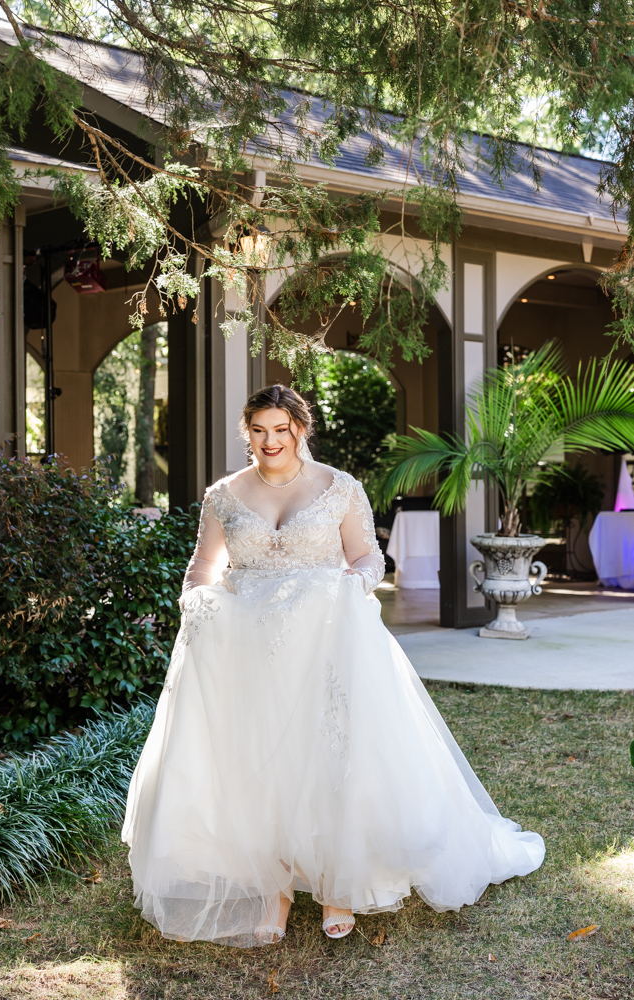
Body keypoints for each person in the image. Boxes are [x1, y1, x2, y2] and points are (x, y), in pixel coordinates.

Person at [122, 384, 544, 947]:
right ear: (246, 432)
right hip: (248, 649)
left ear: (301, 429)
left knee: (328, 756)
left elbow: (370, 554)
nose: (270, 441)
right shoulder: (224, 494)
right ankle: (274, 886)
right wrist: (196, 603)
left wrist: (358, 581)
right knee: (259, 761)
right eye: (259, 430)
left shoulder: (337, 487)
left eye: (282, 429)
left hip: (325, 643)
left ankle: (334, 884)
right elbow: (202, 568)